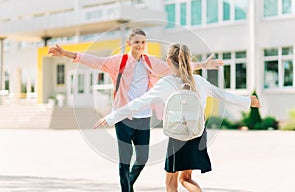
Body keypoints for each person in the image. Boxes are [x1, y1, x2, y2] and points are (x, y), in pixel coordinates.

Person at [48, 28, 224, 192]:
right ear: (129, 44)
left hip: (143, 116)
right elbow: (95, 61)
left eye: (143, 42)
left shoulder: (149, 62)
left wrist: (203, 65)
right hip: (123, 117)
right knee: (125, 161)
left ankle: (128, 185)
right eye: (137, 42)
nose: (140, 45)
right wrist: (65, 53)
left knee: (142, 158)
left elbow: (175, 67)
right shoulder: (119, 61)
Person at [94, 43, 260, 192]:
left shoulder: (166, 83)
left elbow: (139, 103)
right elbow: (223, 95)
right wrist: (248, 101)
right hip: (197, 134)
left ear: (168, 61)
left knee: (171, 182)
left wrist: (112, 117)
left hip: (177, 136)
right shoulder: (200, 81)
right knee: (186, 179)